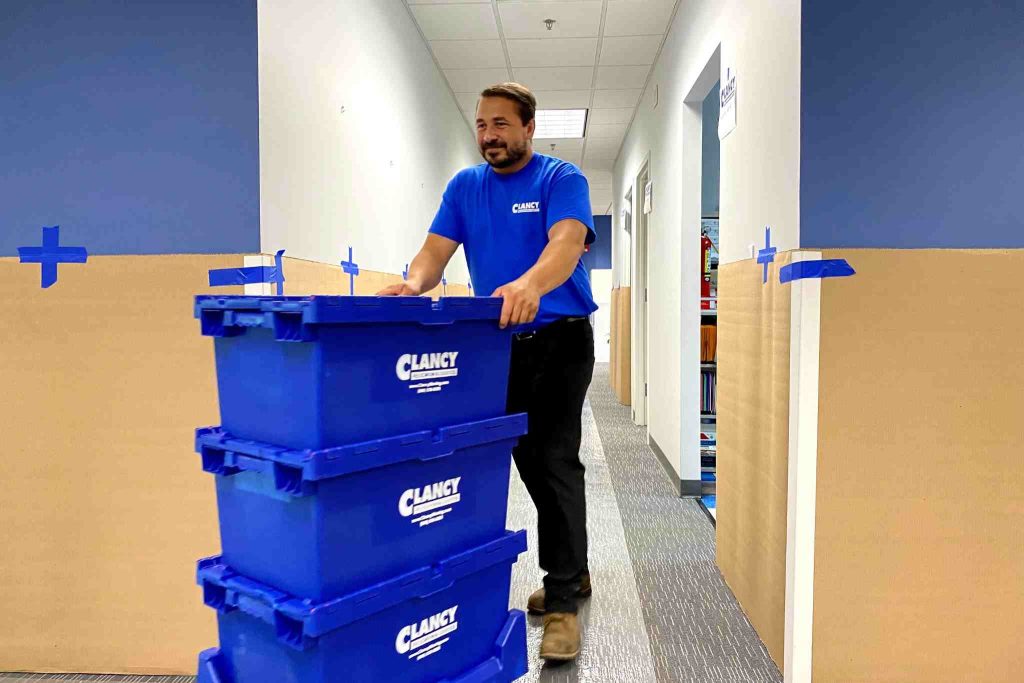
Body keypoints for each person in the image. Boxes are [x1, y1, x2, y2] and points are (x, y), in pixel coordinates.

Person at [378, 82, 597, 661]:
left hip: (559, 339)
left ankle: (563, 603)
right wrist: (413, 282)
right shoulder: (465, 186)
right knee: (502, 458)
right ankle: (573, 567)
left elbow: (567, 242)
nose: (489, 135)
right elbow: (434, 251)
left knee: (550, 461)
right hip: (493, 346)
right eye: (481, 124)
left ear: (528, 128)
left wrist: (529, 284)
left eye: (501, 124)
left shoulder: (560, 179)